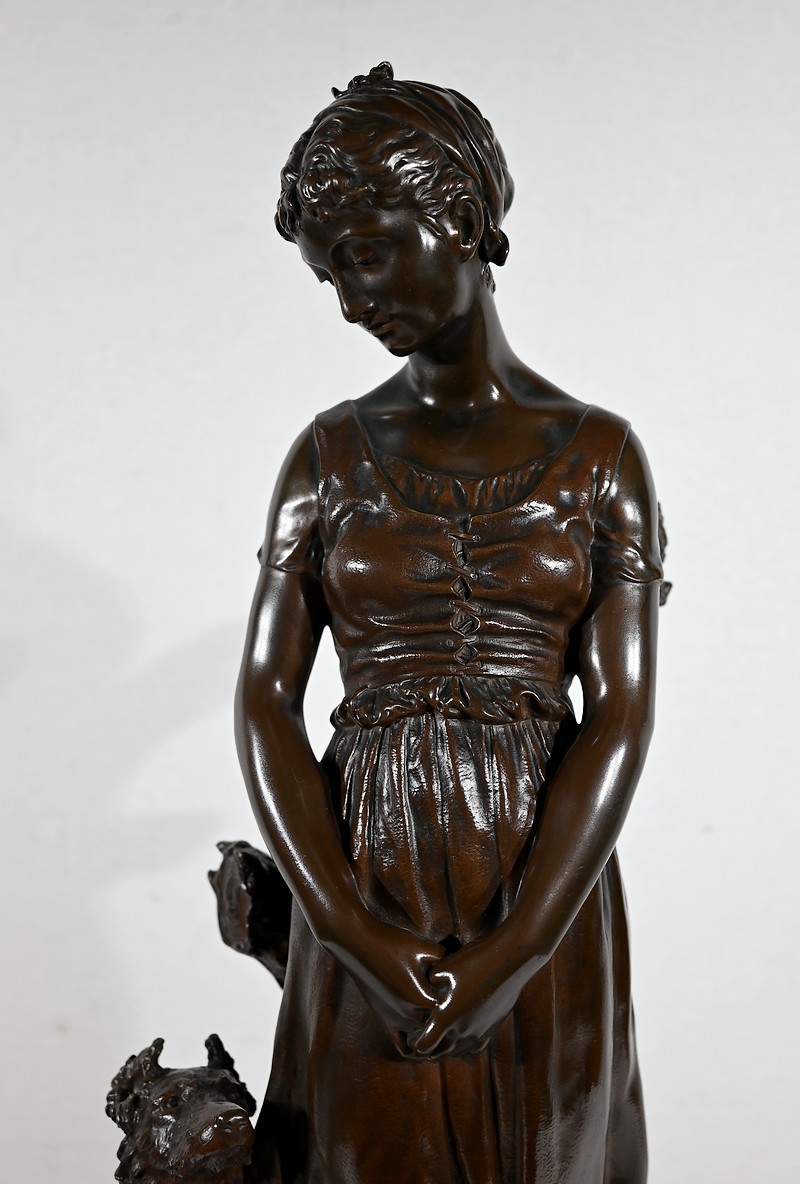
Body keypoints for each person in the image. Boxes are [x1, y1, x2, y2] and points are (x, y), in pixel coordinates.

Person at [235, 62, 662, 1184]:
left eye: (365, 256)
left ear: (459, 219)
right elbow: (266, 698)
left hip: (544, 874)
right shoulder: (325, 458)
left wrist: (518, 950)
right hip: (364, 864)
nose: (348, 299)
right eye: (327, 273)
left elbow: (619, 714)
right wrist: (345, 928)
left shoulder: (602, 458)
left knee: (546, 1145)